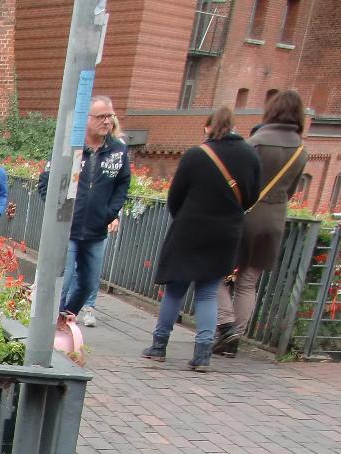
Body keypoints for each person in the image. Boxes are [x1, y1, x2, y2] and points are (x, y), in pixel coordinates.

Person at [142, 106, 260, 371]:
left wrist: (185, 216)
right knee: (207, 293)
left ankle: (159, 346)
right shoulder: (249, 155)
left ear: (209, 127)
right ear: (233, 127)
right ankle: (203, 354)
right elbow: (252, 196)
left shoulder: (196, 155)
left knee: (175, 289)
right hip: (226, 233)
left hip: (189, 229)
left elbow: (175, 196)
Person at [213, 89, 308, 356]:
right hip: (275, 219)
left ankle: (226, 327)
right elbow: (291, 190)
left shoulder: (256, 143)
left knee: (216, 273)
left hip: (246, 215)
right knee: (248, 282)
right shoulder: (301, 150)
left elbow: (237, 182)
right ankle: (236, 337)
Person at [39, 97, 132, 321]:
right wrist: (59, 214)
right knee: (62, 281)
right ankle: (51, 326)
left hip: (96, 231)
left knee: (88, 284)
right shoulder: (70, 147)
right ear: (87, 119)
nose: (107, 121)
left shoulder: (118, 150)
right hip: (67, 230)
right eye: (101, 117)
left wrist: (110, 212)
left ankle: (66, 318)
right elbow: (45, 183)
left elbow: (123, 184)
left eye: (110, 116)